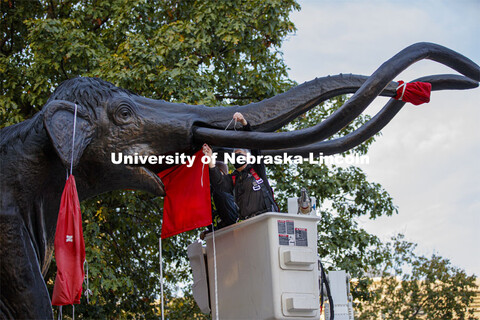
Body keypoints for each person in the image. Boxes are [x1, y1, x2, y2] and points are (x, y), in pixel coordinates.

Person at [203, 112, 278, 223]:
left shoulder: (256, 170)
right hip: (247, 224)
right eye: (235, 153)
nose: (237, 155)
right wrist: (210, 160)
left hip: (267, 220)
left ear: (249, 157)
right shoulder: (233, 179)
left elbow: (254, 143)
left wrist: (244, 122)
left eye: (240, 153)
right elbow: (218, 183)